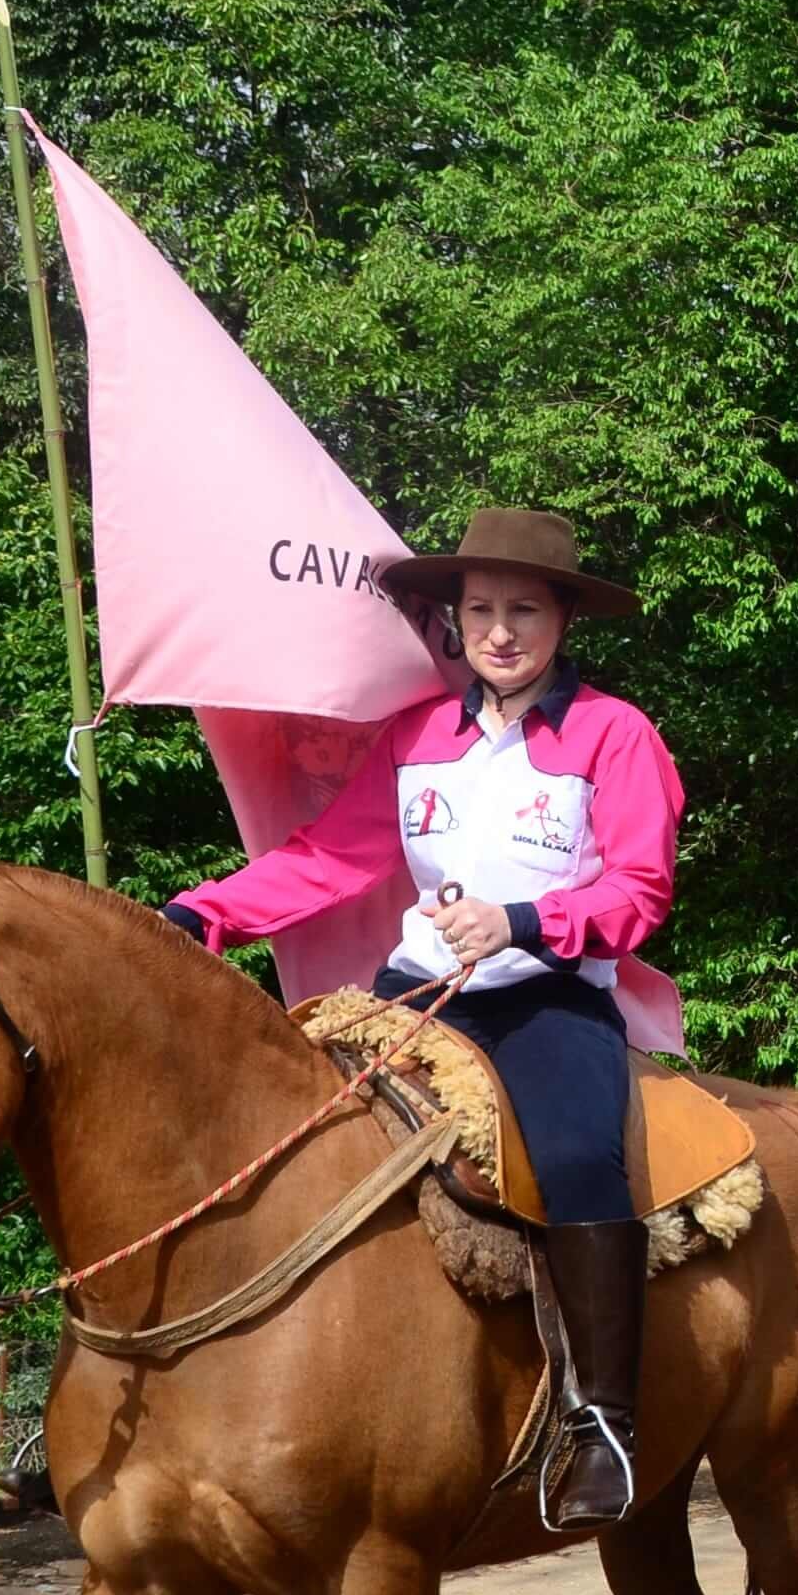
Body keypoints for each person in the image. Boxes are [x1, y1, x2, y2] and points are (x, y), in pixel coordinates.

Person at [161, 509, 684, 1533]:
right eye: (480, 610)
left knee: (581, 1157)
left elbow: (641, 888)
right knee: (270, 1126)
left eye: (523, 611)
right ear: (453, 621)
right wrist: (204, 909)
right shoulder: (416, 739)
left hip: (548, 997)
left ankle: (602, 1424)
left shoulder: (615, 735)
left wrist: (525, 921)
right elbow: (328, 860)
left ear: (563, 618)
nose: (500, 632)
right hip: (410, 989)